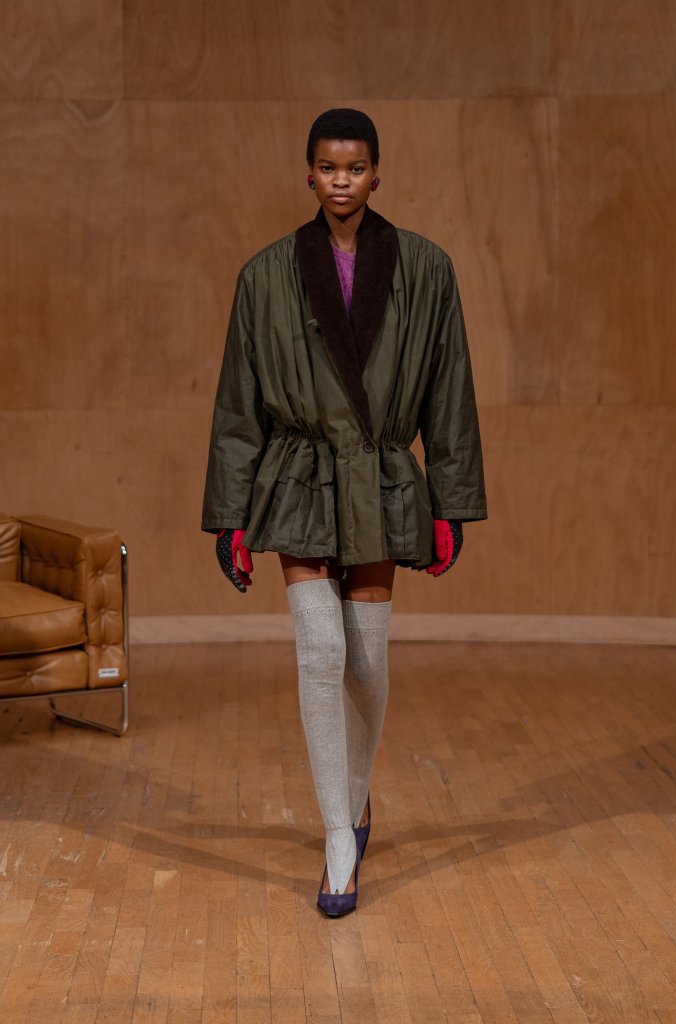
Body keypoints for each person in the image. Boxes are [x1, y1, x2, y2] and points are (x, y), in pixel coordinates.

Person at [201, 108, 487, 917]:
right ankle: (337, 838)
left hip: (383, 478)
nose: (341, 181)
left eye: (355, 168)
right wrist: (230, 517)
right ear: (309, 173)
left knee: (365, 663)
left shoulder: (427, 269)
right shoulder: (265, 274)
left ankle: (357, 798)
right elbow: (237, 406)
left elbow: (449, 391)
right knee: (321, 651)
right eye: (328, 167)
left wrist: (451, 504)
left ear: (376, 173)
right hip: (296, 477)